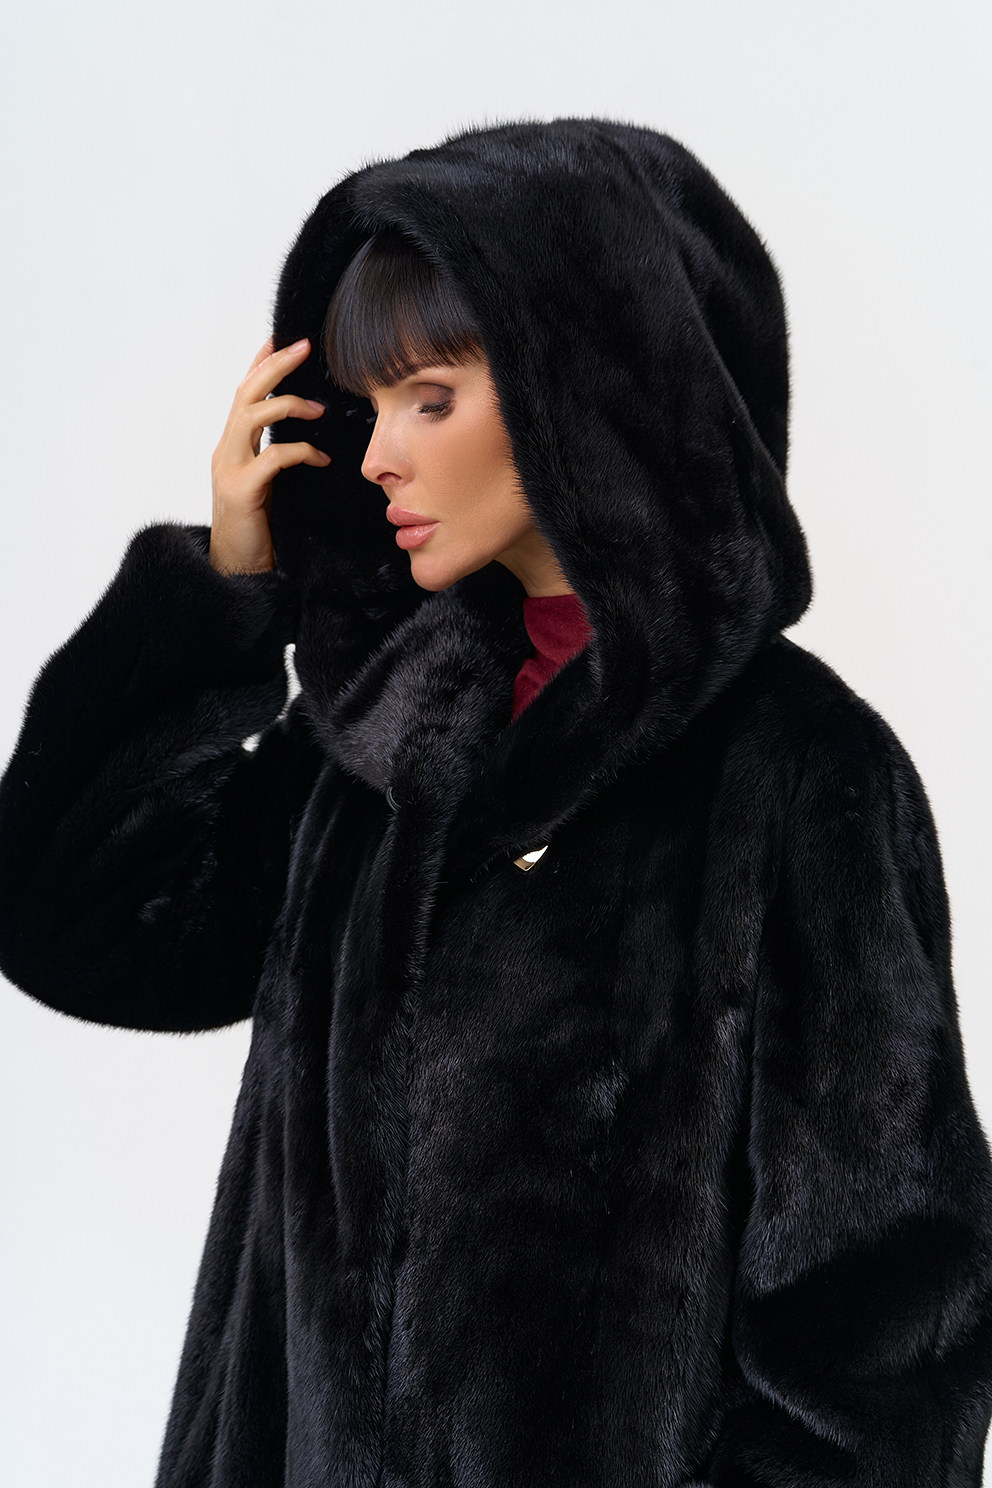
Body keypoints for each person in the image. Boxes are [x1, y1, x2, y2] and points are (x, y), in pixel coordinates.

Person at [0, 117, 990, 1487]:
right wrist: (226, 591)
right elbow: (78, 926)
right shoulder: (376, 745)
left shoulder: (799, 775)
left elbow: (882, 1334)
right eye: (367, 406)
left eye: (431, 399)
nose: (376, 457)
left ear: (584, 391)